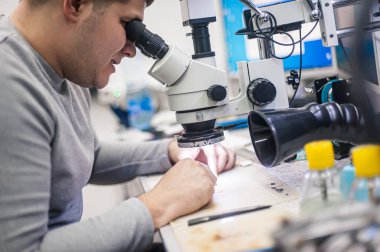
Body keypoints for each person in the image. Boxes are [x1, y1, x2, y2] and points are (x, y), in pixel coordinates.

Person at [0, 0, 236, 251]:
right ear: (77, 5)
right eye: (127, 24)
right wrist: (158, 204)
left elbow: (89, 156)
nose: (132, 50)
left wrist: (170, 152)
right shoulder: (9, 83)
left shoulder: (63, 66)